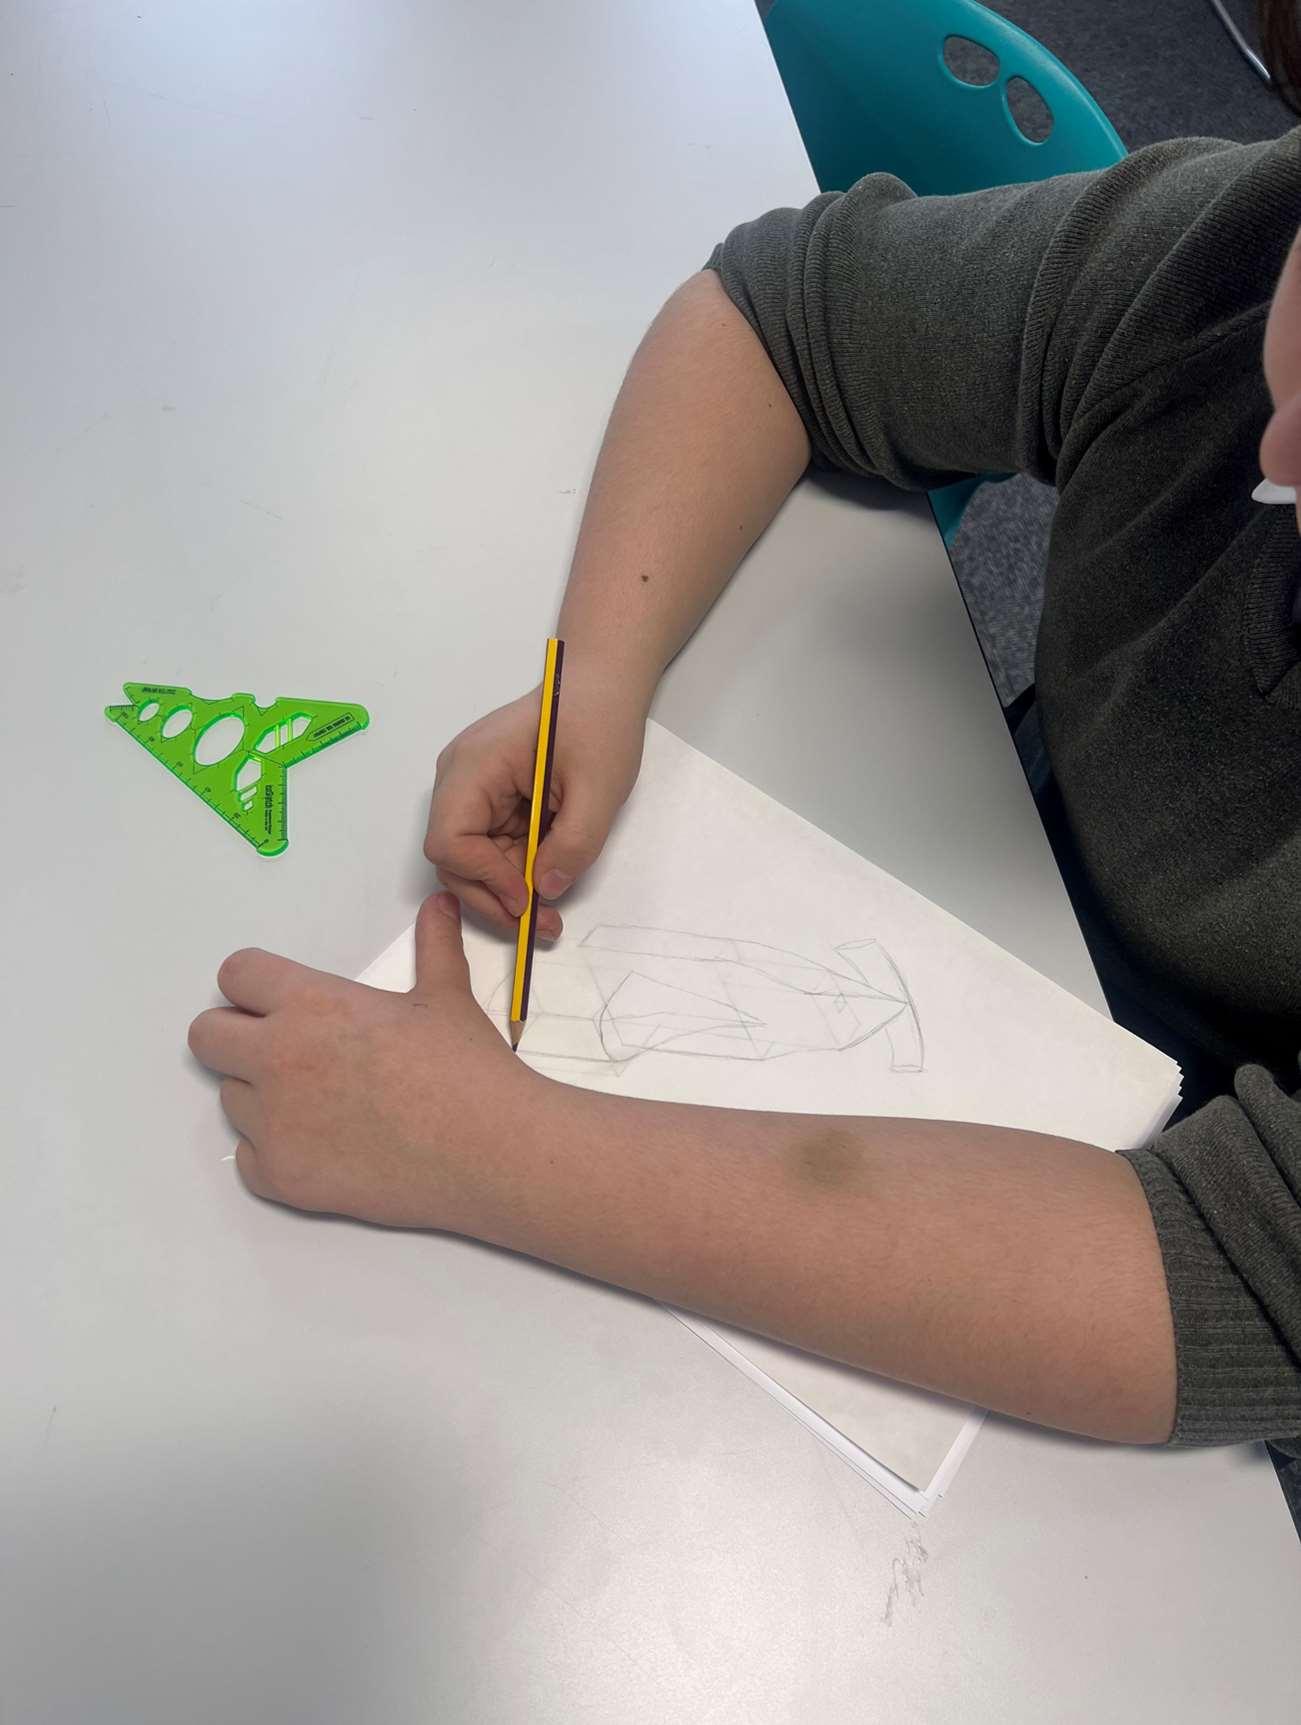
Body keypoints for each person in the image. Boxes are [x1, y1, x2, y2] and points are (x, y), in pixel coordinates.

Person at [188, 12, 1301, 1453]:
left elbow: (1215, 1284)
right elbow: (780, 315)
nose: (1277, 451)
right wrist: (595, 680)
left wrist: (486, 1143)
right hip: (1045, 877)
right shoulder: (1228, 258)